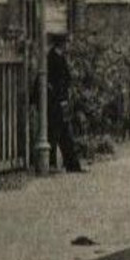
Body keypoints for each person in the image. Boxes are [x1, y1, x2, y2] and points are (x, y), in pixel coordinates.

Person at [46, 36, 84, 173]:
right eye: (67, 42)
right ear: (61, 43)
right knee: (55, 133)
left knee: (64, 133)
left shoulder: (60, 57)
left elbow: (67, 78)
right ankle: (52, 165)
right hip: (55, 102)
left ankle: (72, 165)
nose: (68, 45)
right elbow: (53, 81)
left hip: (62, 101)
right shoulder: (51, 58)